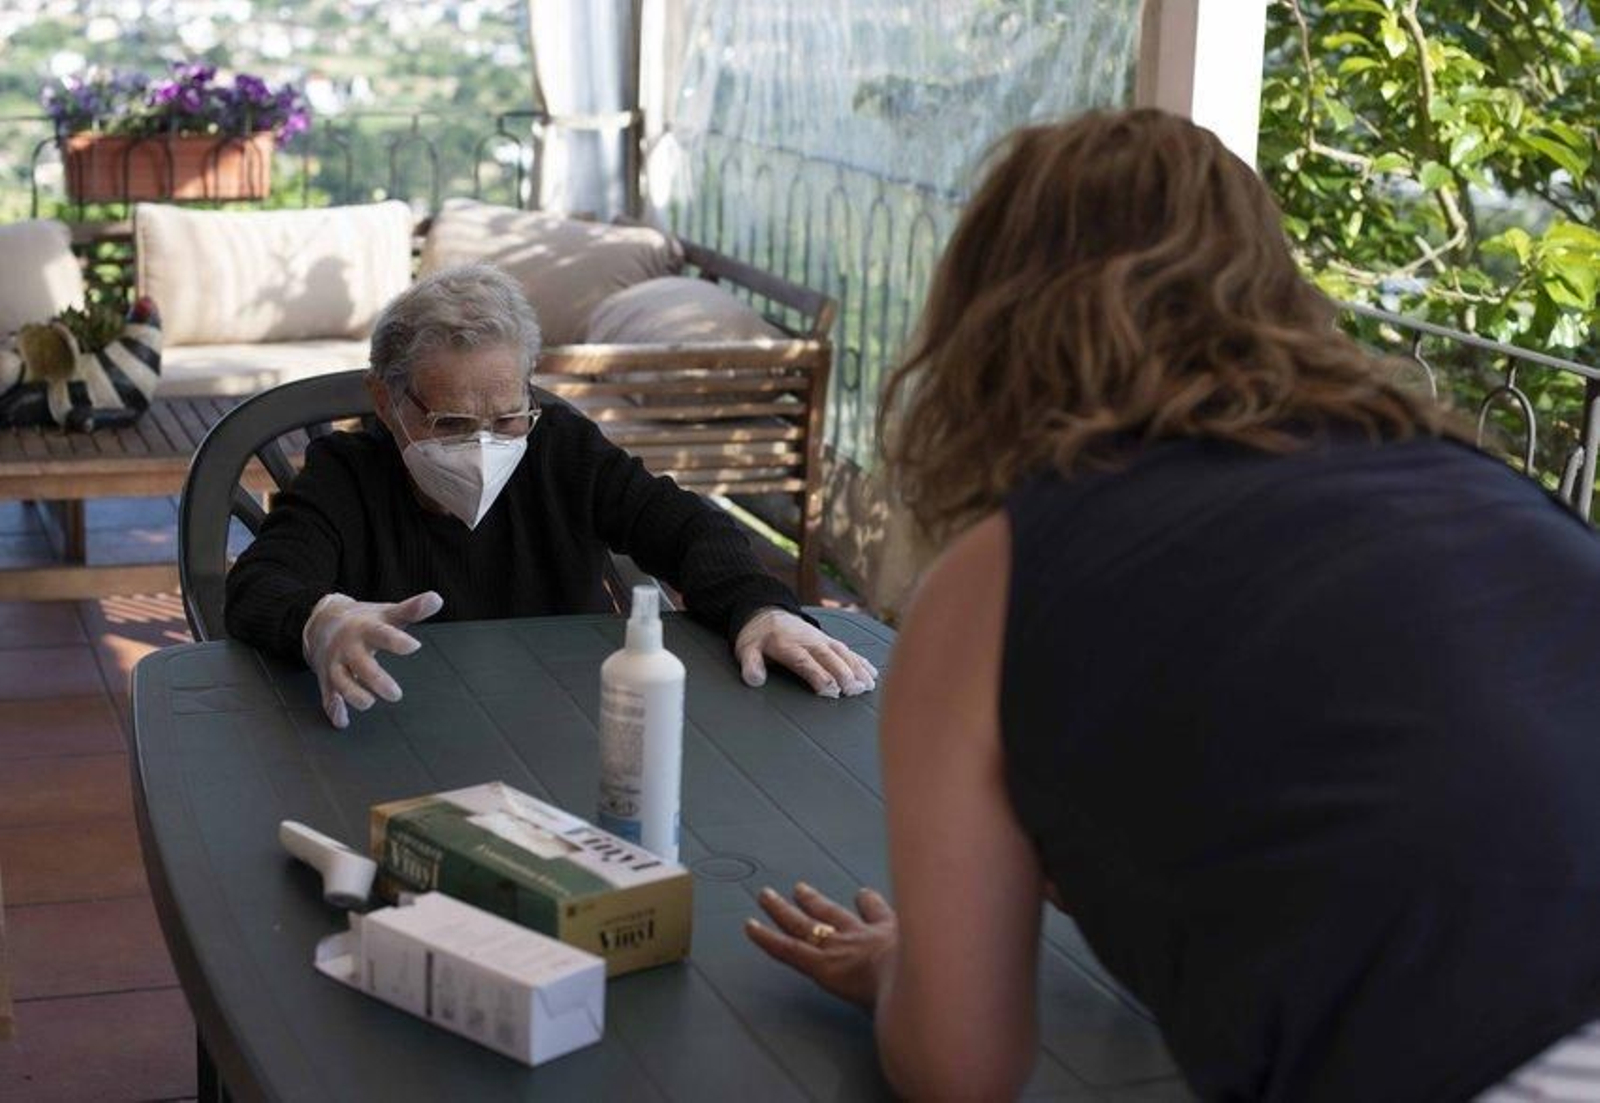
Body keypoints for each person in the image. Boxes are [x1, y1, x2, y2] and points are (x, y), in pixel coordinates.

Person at [744, 108, 1600, 1101]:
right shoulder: (1468, 480)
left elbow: (958, 1069)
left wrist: (904, 971)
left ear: (992, 324)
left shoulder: (997, 579)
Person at [225, 263, 876, 728]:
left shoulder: (560, 449)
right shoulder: (347, 475)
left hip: (563, 718)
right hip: (397, 724)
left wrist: (757, 607)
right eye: (451, 424)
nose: (484, 446)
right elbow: (260, 582)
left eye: (508, 418)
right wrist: (318, 619)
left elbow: (684, 526)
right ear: (385, 399)